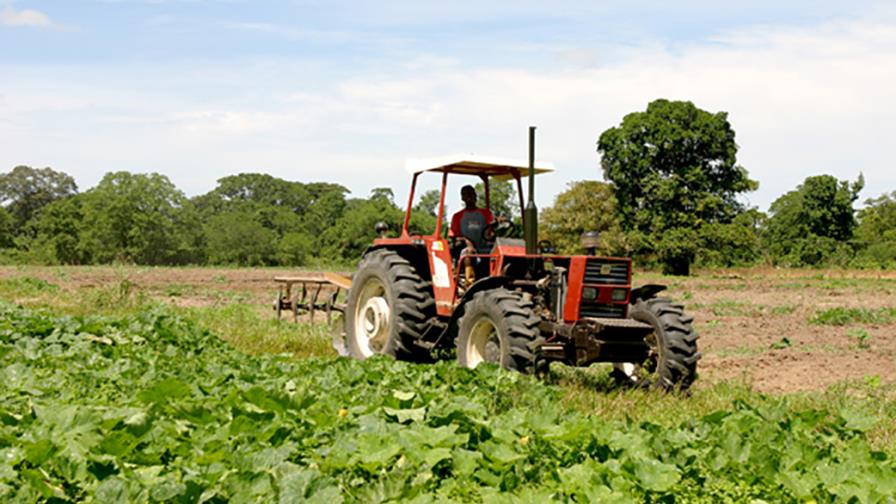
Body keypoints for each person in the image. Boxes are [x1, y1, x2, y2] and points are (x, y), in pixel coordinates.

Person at [450, 185, 494, 252]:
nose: (469, 196)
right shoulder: (457, 216)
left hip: (485, 246)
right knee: (469, 251)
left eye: (471, 193)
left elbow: (491, 231)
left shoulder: (486, 213)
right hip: (466, 248)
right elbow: (454, 236)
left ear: (475, 195)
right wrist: (466, 241)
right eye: (466, 194)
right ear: (462, 198)